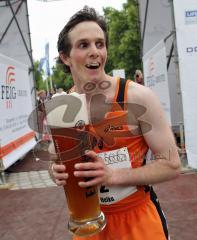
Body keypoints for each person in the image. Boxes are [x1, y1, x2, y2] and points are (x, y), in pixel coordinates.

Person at [49, 6, 181, 240]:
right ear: (65, 57)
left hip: (138, 222)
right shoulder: (62, 106)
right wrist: (55, 171)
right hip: (88, 225)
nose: (95, 52)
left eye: (100, 44)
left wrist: (112, 176)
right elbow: (56, 159)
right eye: (83, 45)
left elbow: (171, 164)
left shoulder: (138, 97)